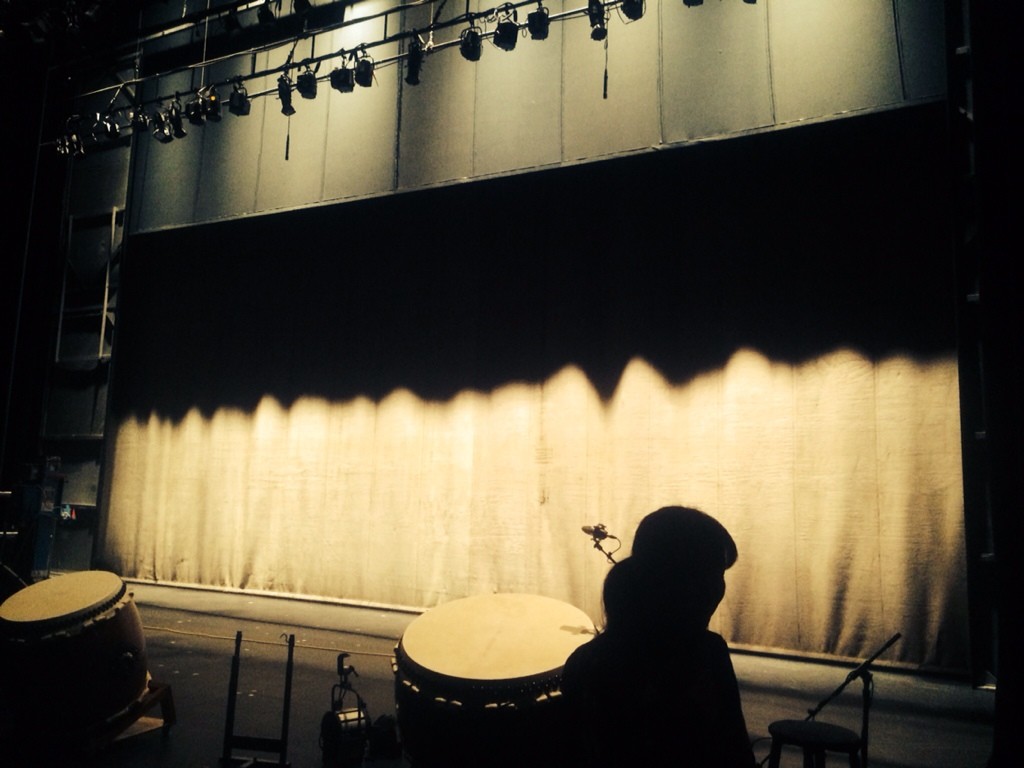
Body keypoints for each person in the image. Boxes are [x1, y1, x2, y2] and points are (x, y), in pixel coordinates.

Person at [560, 506, 756, 767]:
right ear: (662, 577)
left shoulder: (588, 662)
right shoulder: (707, 654)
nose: (714, 590)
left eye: (717, 575)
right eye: (701, 575)